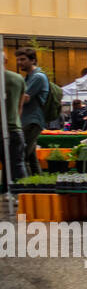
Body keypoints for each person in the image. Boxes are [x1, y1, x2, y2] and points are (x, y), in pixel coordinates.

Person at [15, 47, 50, 177]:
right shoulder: (28, 77)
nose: (19, 62)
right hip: (27, 120)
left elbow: (24, 98)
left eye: (23, 59)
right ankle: (39, 184)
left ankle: (25, 187)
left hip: (32, 121)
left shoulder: (38, 77)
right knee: (30, 157)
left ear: (33, 60)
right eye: (18, 59)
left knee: (22, 155)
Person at [2, 49, 28, 189]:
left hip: (4, 129)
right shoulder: (18, 79)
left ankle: (8, 195)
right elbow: (20, 107)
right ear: (6, 61)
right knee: (17, 164)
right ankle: (21, 202)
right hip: (15, 128)